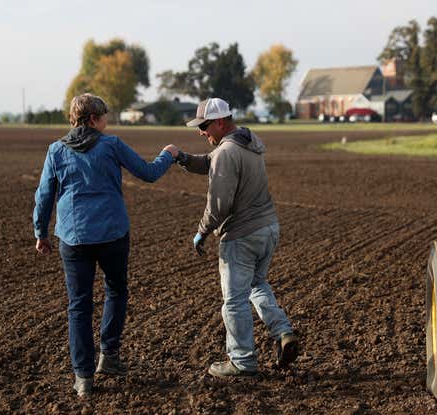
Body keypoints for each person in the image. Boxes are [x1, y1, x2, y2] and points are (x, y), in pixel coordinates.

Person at [33, 93, 179, 397]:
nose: (106, 121)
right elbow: (149, 173)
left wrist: (40, 232)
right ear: (93, 119)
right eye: (104, 117)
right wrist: (168, 154)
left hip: (73, 238)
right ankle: (109, 356)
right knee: (116, 290)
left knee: (79, 305)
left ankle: (83, 377)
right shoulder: (111, 145)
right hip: (112, 234)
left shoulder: (56, 150)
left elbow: (45, 195)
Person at [177, 97, 298, 377]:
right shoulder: (248, 142)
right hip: (268, 229)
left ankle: (242, 361)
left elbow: (219, 204)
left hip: (241, 236)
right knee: (257, 284)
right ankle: (282, 332)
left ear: (220, 122)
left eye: (204, 126)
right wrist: (182, 158)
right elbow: (210, 162)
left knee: (233, 301)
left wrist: (202, 231)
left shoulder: (225, 153)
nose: (201, 132)